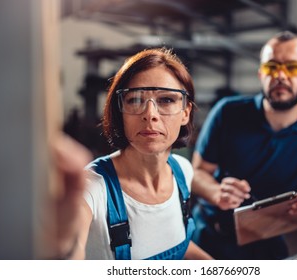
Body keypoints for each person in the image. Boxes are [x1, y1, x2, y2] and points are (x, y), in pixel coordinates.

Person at [191, 31, 297, 260]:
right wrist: (216, 192)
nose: (280, 75)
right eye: (271, 66)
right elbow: (196, 173)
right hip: (207, 237)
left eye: (293, 67)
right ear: (260, 74)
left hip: (266, 248)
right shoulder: (228, 113)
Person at [48, 48, 212, 260]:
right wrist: (61, 244)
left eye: (166, 100)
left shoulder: (182, 171)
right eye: (135, 100)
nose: (150, 114)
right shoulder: (94, 188)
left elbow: (179, 244)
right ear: (120, 112)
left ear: (185, 113)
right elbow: (71, 254)